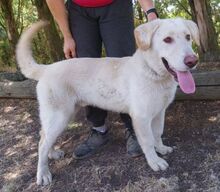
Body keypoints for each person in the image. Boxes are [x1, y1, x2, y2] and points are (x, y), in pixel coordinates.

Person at [46, 0, 158, 159]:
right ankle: (99, 128)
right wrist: (67, 36)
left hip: (116, 5)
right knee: (84, 71)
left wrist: (150, 11)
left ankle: (134, 128)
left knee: (123, 63)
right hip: (79, 11)